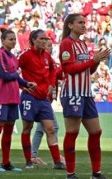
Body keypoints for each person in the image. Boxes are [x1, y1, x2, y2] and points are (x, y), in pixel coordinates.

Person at [59, 13, 111, 179]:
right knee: (72, 131)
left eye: (84, 22)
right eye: (80, 22)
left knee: (96, 131)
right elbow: (69, 69)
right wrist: (92, 60)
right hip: (73, 92)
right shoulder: (67, 43)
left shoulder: (82, 44)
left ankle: (96, 173)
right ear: (70, 25)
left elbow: (88, 70)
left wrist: (96, 61)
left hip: (86, 93)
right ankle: (70, 173)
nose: (84, 25)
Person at [0, 28, 37, 172]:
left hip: (13, 98)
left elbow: (15, 77)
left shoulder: (13, 57)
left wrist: (26, 83)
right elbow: (4, 75)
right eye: (10, 39)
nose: (13, 41)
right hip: (0, 97)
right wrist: (16, 75)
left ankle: (6, 162)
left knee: (8, 130)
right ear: (2, 41)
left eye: (14, 39)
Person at [18, 29, 65, 169]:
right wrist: (23, 85)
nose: (45, 41)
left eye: (46, 39)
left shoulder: (47, 57)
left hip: (43, 99)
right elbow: (13, 70)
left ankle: (57, 162)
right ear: (33, 40)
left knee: (50, 129)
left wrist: (51, 84)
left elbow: (52, 70)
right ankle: (28, 161)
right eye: (42, 39)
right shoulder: (25, 56)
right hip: (29, 97)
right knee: (27, 128)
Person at [30, 35, 63, 166]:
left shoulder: (50, 61)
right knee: (52, 127)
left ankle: (34, 155)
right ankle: (54, 157)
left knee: (41, 129)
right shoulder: (41, 61)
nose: (49, 48)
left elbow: (58, 75)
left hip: (46, 100)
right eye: (48, 45)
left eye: (50, 46)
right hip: (40, 99)